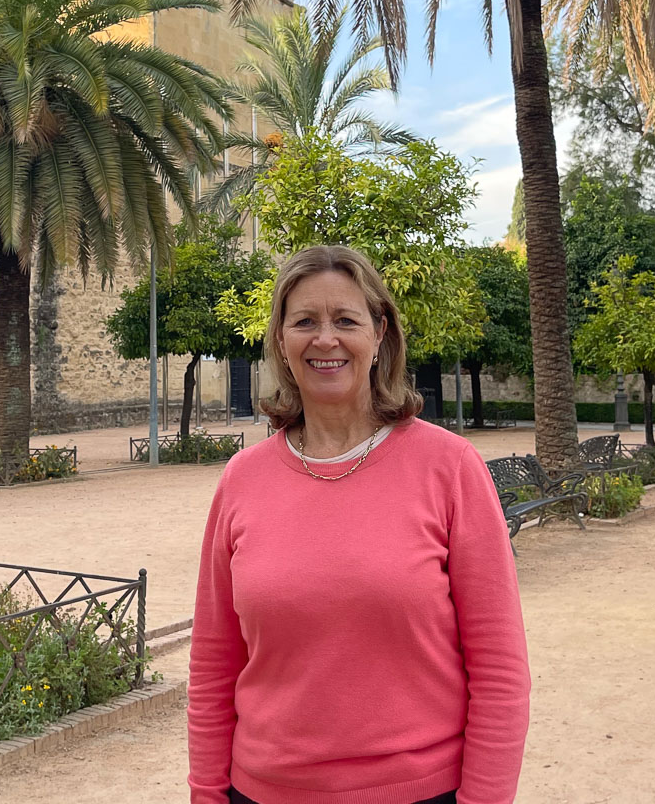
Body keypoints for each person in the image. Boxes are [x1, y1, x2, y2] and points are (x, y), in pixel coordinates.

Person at [188, 244, 531, 804]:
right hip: (261, 792)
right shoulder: (241, 480)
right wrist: (206, 794)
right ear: (281, 340)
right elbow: (212, 667)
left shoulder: (449, 468)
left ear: (379, 335)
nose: (325, 340)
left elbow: (500, 670)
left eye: (345, 320)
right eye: (304, 322)